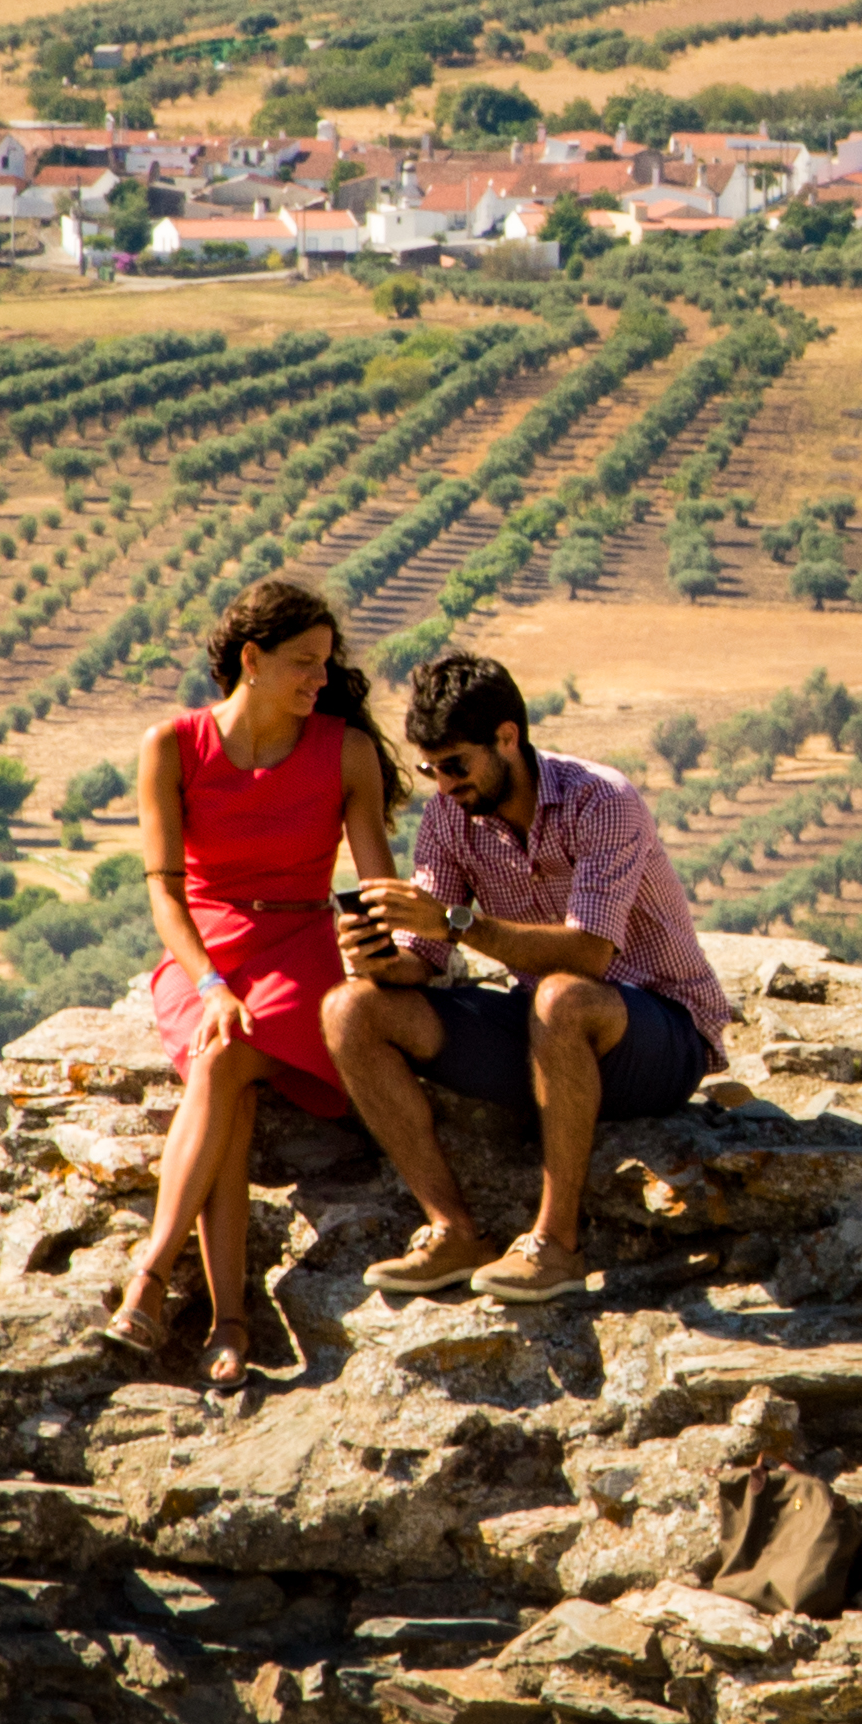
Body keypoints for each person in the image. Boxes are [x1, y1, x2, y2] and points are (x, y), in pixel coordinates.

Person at [324, 649, 729, 1307]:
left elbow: (590, 955)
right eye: (430, 769)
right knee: (350, 1012)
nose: (443, 783)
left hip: (659, 1034)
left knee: (564, 995)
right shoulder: (450, 819)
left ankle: (555, 1246)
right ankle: (452, 1230)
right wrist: (380, 959)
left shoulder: (601, 800)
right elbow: (422, 956)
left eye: (456, 765)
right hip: (547, 1031)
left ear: (507, 738)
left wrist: (458, 923)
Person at [100, 572, 423, 1387]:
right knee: (226, 1067)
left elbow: (375, 890)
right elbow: (165, 890)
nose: (322, 679)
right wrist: (208, 983)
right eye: (305, 663)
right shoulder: (171, 746)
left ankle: (152, 1278)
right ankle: (229, 1322)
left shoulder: (345, 752)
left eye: (326, 664)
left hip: (300, 946)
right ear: (253, 658)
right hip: (203, 950)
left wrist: (392, 957)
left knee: (223, 1061)